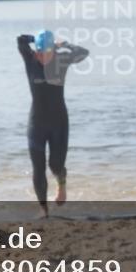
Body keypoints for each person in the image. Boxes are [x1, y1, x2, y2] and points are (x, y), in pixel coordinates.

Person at [16, 30, 89, 217]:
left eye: (45, 52)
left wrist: (62, 43)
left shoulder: (61, 61)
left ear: (53, 51)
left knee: (56, 165)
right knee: (38, 167)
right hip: (36, 123)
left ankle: (61, 182)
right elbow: (20, 40)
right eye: (39, 51)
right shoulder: (30, 59)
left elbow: (83, 52)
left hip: (59, 123)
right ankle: (43, 209)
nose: (41, 56)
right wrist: (36, 40)